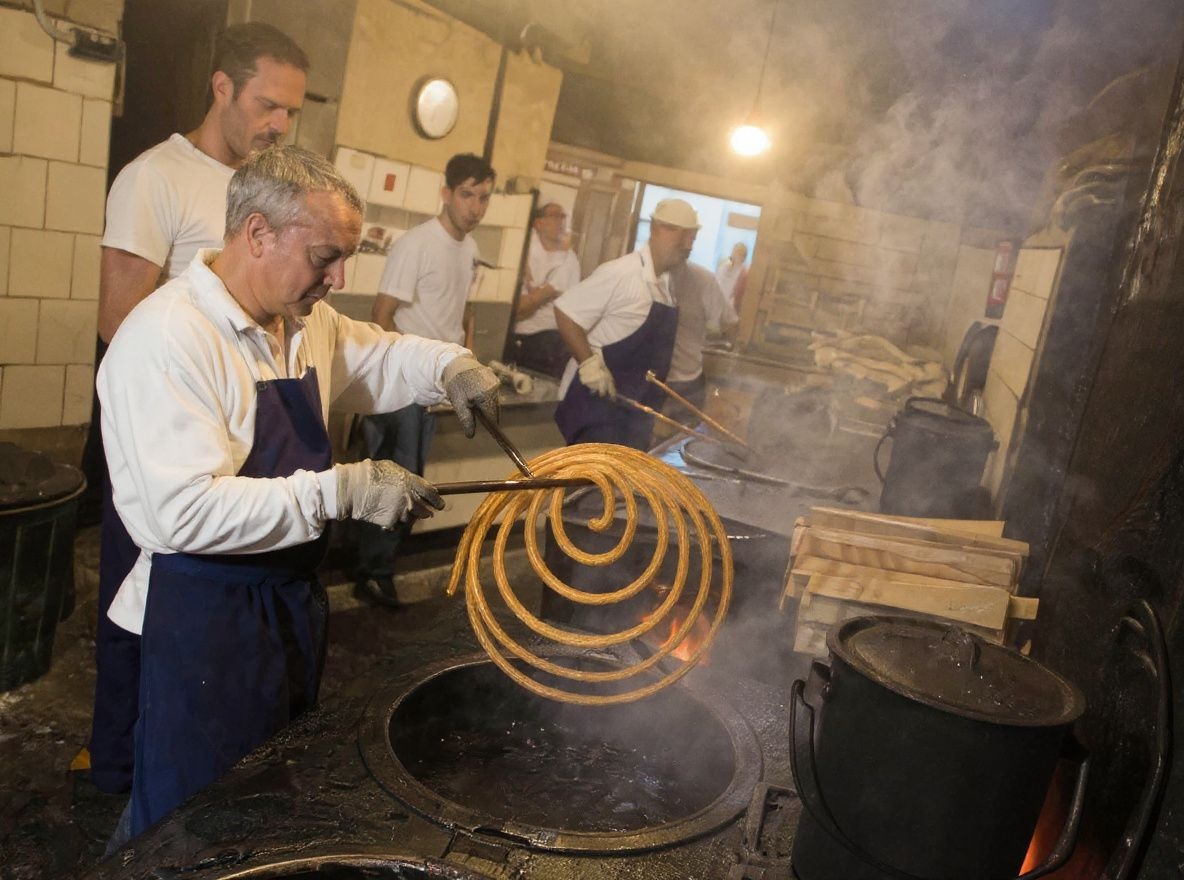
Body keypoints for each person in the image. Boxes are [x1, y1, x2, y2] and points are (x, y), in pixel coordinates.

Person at [97, 145, 501, 839]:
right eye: (325, 257)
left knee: (266, 792)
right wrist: (339, 490)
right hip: (205, 617)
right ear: (257, 233)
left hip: (286, 604)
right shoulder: (169, 337)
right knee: (190, 816)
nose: (338, 278)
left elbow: (379, 355)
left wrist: (450, 366)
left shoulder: (300, 322)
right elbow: (182, 512)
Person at [85, 21, 309, 796]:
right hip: (166, 438)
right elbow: (119, 320)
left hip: (244, 439)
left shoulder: (269, 189)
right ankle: (118, 770)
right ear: (221, 87)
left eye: (292, 111)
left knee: (206, 621)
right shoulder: (157, 177)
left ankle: (190, 763)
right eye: (267, 104)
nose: (279, 123)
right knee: (137, 606)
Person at [354, 153, 496, 607]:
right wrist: (389, 382)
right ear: (446, 193)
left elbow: (463, 311)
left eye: (484, 198)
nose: (475, 207)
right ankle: (372, 573)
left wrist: (466, 360)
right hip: (402, 388)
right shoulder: (416, 244)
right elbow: (381, 315)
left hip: (435, 387)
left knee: (411, 481)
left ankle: (378, 568)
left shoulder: (469, 249)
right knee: (394, 481)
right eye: (468, 195)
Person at [551, 198, 699, 450]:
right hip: (596, 409)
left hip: (633, 414)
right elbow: (566, 313)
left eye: (692, 237)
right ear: (656, 229)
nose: (688, 245)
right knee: (593, 476)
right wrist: (589, 364)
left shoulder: (666, 286)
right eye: (681, 236)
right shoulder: (622, 273)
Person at [662, 261, 738, 429]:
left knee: (682, 439)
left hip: (686, 382)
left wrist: (732, 360)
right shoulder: (638, 276)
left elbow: (729, 323)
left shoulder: (703, 280)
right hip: (646, 380)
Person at [511, 201, 582, 378]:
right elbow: (517, 310)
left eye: (562, 216)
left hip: (551, 336)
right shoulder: (524, 250)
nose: (560, 221)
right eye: (554, 216)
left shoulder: (569, 260)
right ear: (538, 223)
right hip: (519, 334)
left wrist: (535, 291)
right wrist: (540, 294)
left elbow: (529, 304)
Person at [716, 242, 749, 313]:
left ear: (743, 258)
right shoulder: (724, 265)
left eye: (739, 254)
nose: (735, 255)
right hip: (717, 301)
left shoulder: (743, 273)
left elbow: (738, 297)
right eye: (735, 252)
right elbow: (717, 281)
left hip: (729, 307)